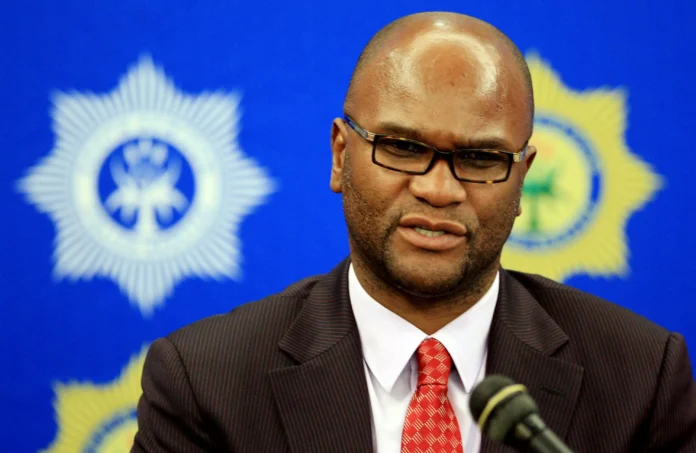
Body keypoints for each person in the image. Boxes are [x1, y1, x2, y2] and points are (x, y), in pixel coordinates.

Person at [131, 11, 696, 453]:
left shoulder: (640, 376)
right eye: (402, 147)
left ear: (522, 178)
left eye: (480, 158)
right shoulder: (206, 380)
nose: (439, 189)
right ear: (340, 155)